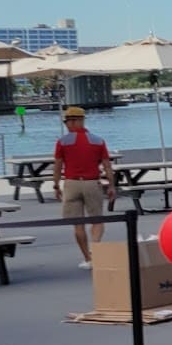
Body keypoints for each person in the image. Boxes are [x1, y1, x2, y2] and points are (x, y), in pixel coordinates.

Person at [51, 106, 114, 268]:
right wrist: (112, 185)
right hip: (92, 183)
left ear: (76, 121)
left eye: (68, 121)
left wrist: (56, 184)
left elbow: (57, 166)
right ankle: (95, 247)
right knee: (97, 220)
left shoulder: (62, 142)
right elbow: (107, 166)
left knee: (78, 223)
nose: (67, 124)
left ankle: (87, 258)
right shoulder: (98, 141)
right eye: (66, 121)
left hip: (71, 183)